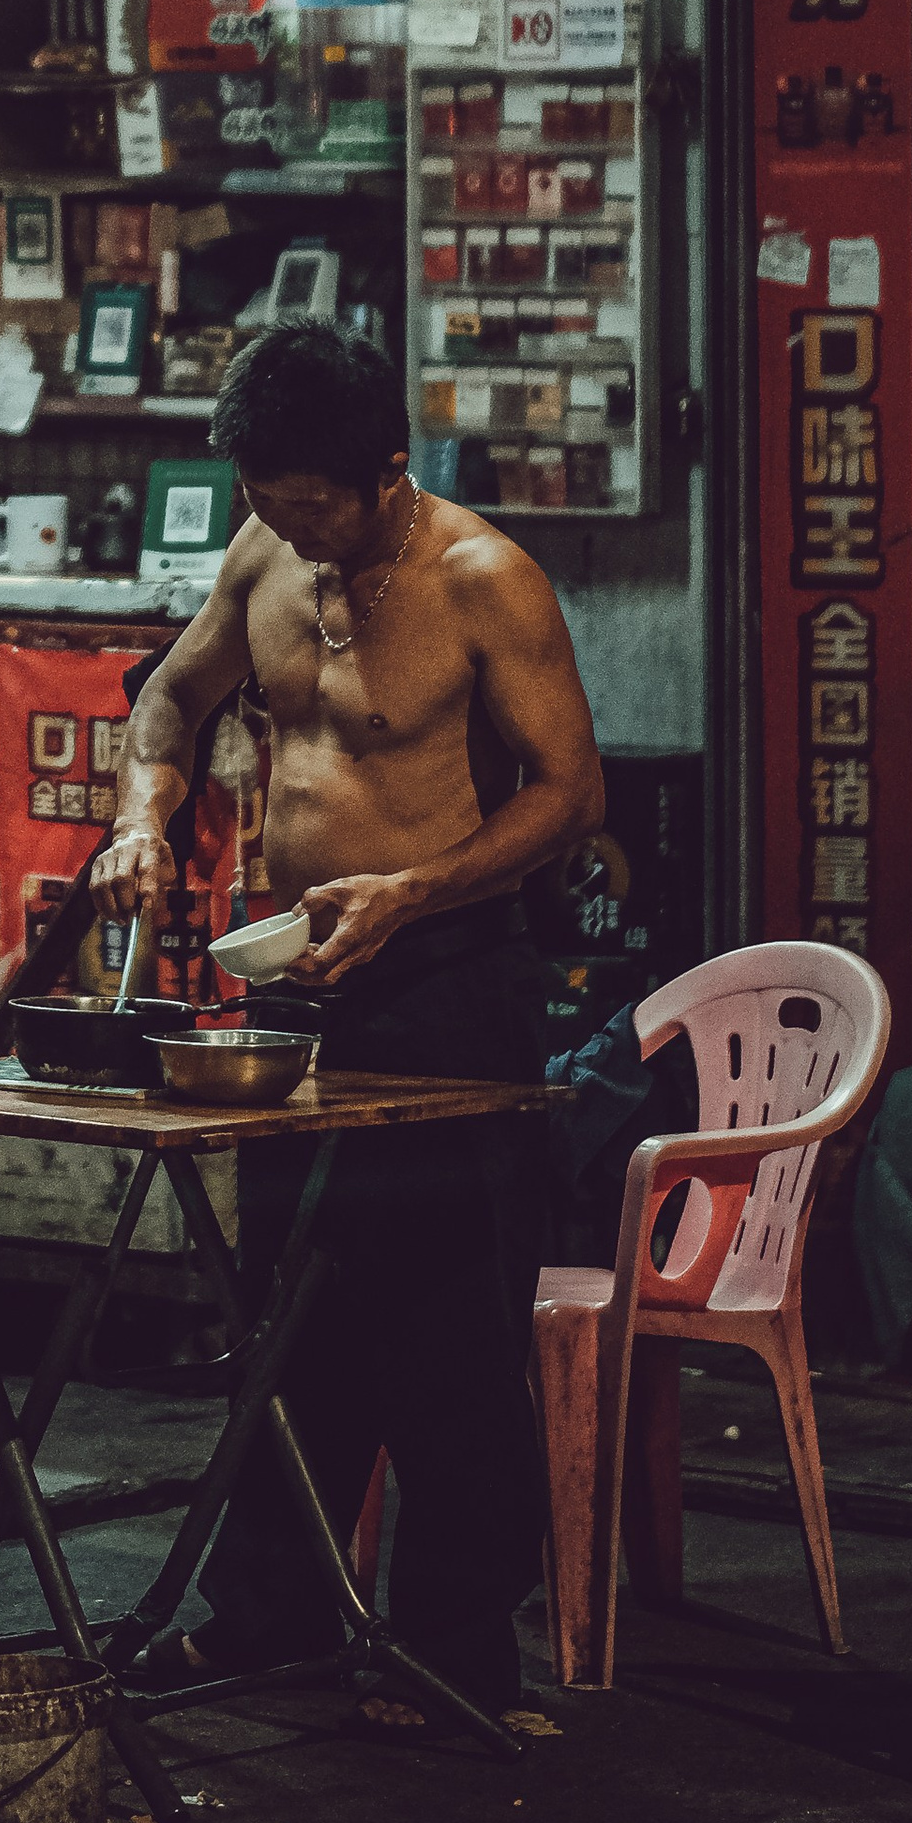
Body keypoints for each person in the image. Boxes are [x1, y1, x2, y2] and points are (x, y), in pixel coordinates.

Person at [94, 314, 603, 1715]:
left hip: (448, 986)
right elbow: (171, 699)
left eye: (313, 505)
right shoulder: (266, 554)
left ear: (386, 471)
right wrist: (142, 816)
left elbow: (572, 795)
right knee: (287, 1320)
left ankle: (451, 1649)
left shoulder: (484, 579)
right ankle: (272, 1617)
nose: (291, 530)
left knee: (448, 1331)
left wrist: (414, 892)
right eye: (265, 500)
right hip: (295, 992)